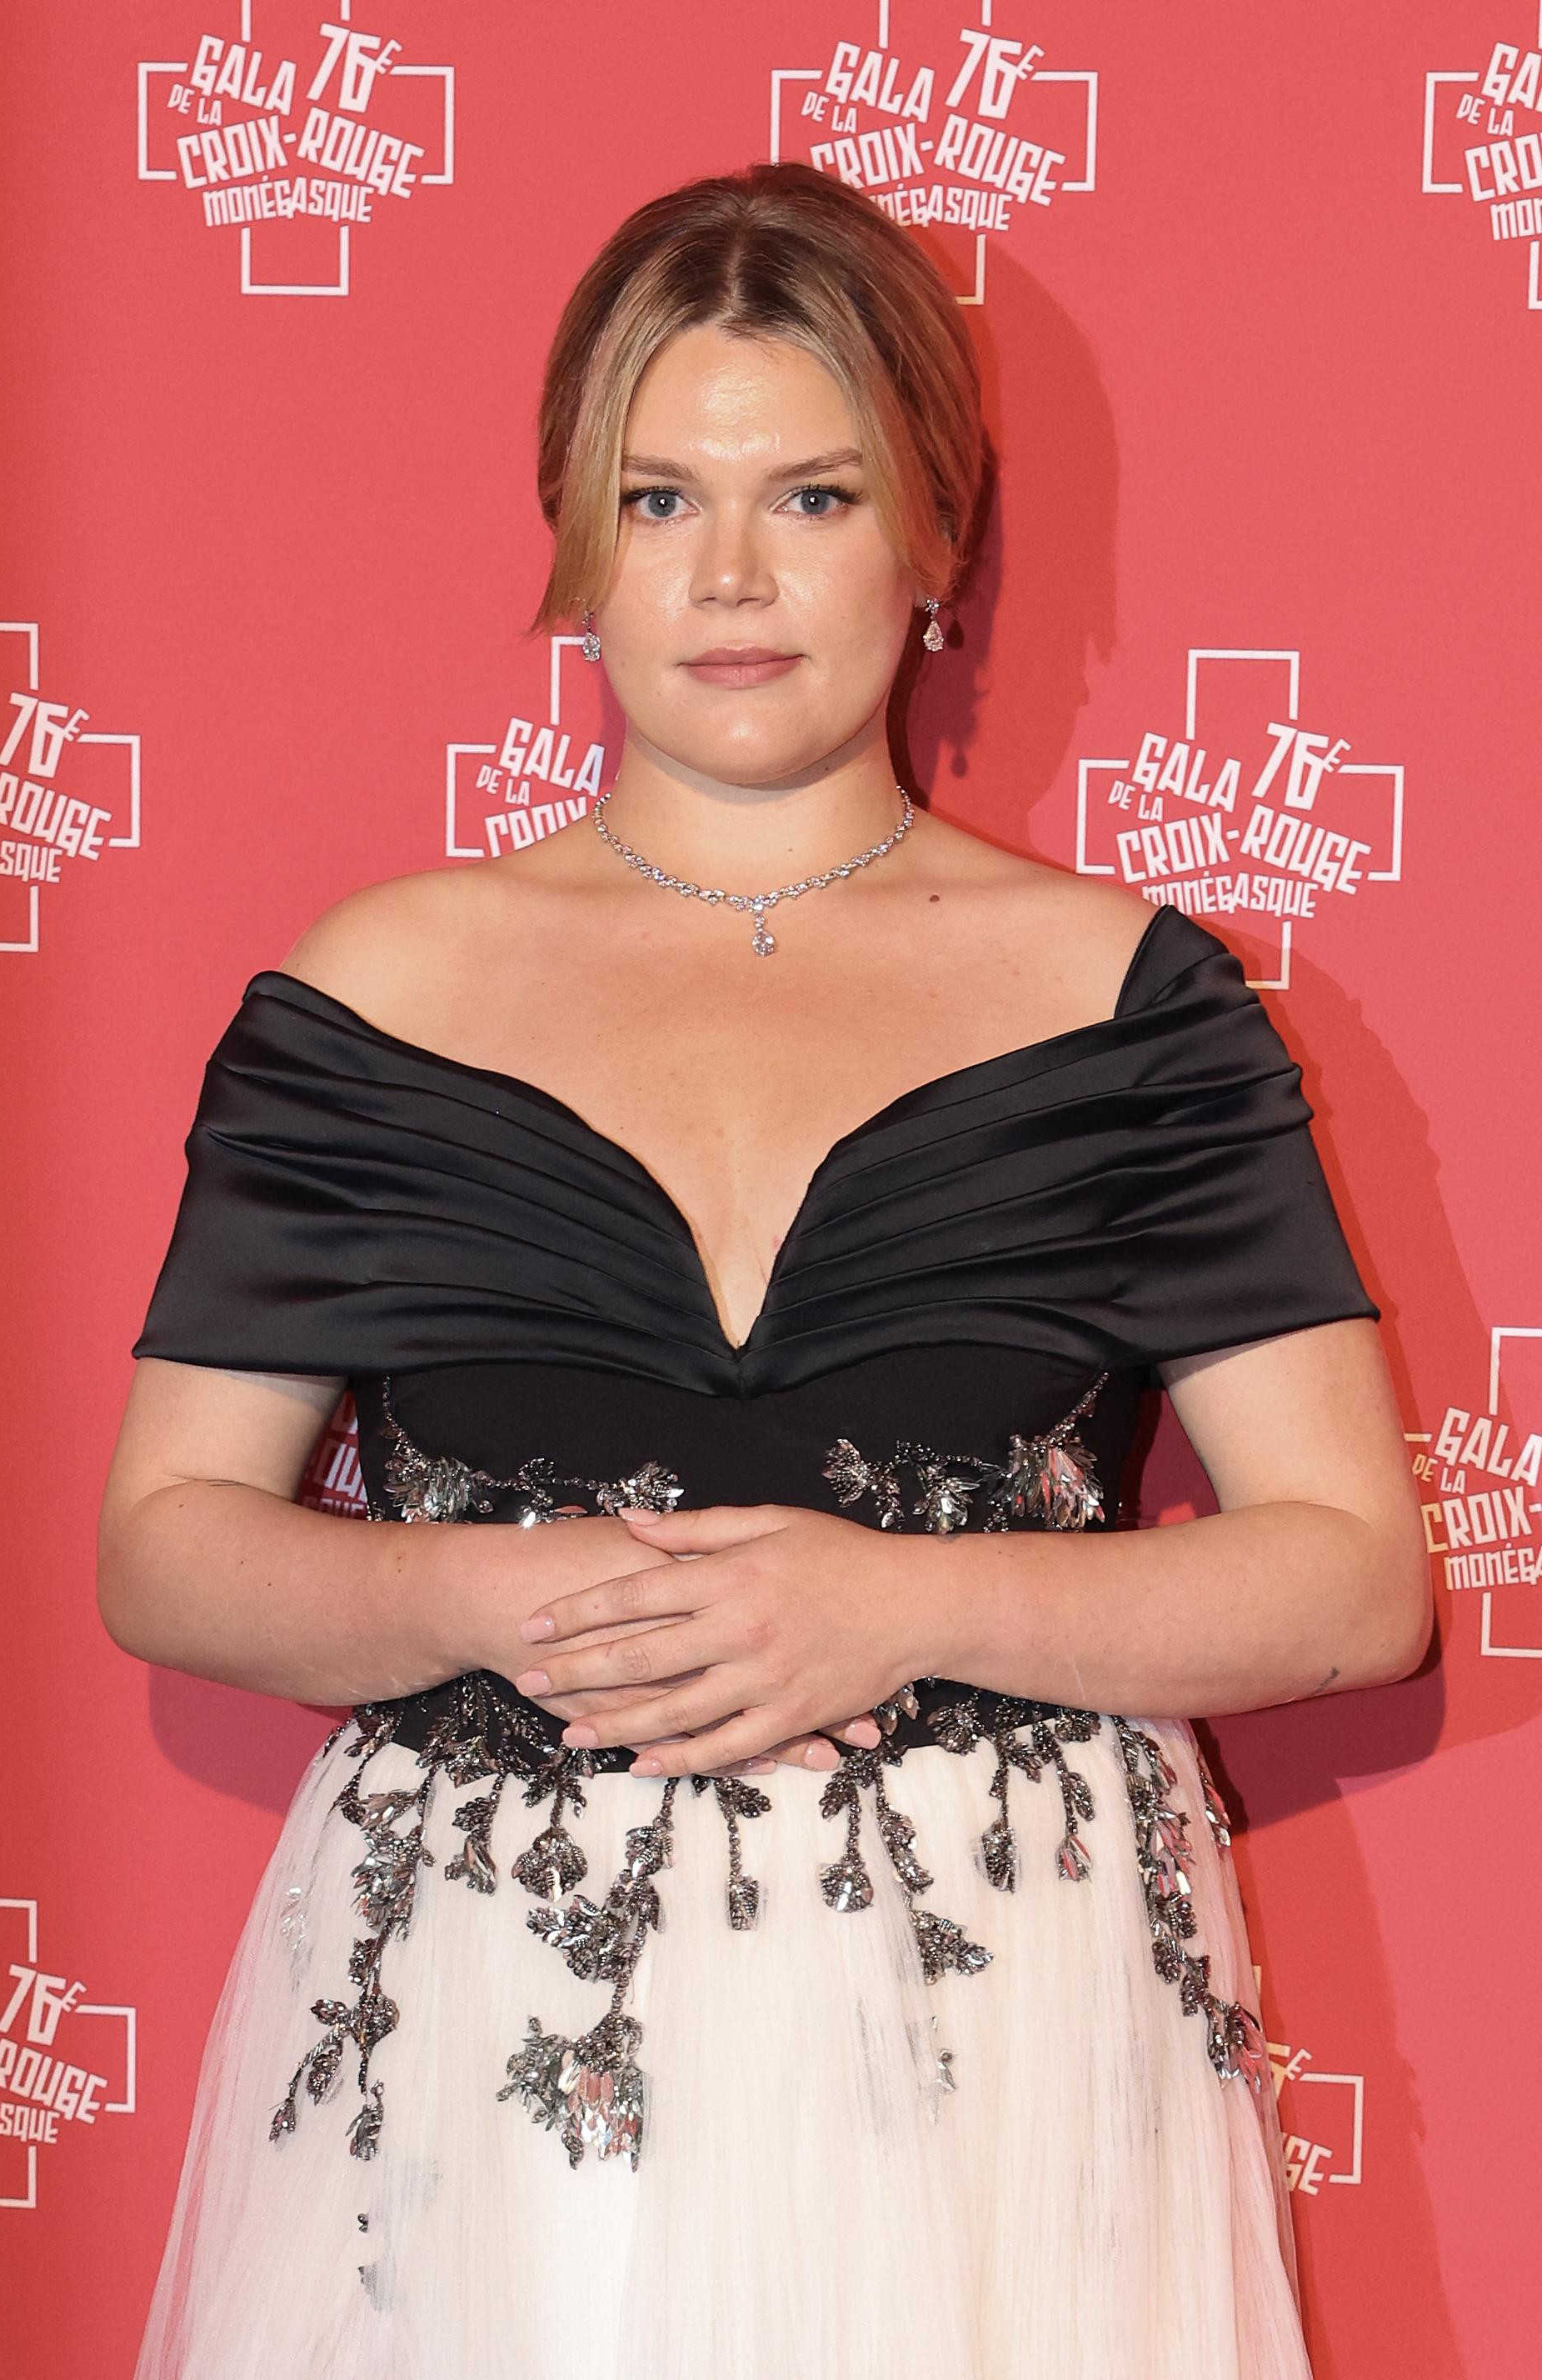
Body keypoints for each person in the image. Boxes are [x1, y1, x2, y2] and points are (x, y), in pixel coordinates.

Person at [101, 160, 1430, 2378]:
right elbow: (166, 1544)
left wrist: (900, 1607)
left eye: (813, 496)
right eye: (659, 499)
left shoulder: (1126, 1007)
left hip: (991, 2054)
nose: (729, 576)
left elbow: (1352, 1576)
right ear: (573, 538)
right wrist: (501, 1598)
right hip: (490, 2057)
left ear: (934, 543)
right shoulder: (381, 995)